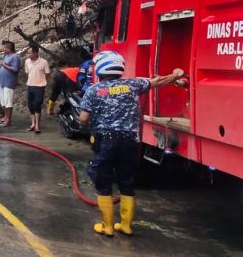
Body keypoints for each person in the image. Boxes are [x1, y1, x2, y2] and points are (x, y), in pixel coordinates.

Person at [79, 51, 184, 236]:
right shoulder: (133, 84)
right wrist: (176, 75)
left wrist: (86, 124)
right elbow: (157, 81)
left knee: (103, 180)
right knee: (126, 180)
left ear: (101, 68)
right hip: (130, 141)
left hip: (105, 141)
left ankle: (107, 226)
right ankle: (126, 225)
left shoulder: (94, 90)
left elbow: (83, 118)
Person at [48, 46, 94, 114]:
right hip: (67, 76)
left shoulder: (84, 65)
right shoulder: (88, 64)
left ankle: (50, 109)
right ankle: (66, 111)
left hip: (61, 74)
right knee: (70, 95)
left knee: (56, 91)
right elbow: (82, 80)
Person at [24, 43, 50, 133]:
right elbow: (28, 72)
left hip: (40, 86)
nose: (28, 55)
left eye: (29, 53)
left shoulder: (44, 62)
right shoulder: (27, 61)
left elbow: (47, 74)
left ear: (35, 53)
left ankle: (37, 125)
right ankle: (33, 123)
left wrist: (43, 82)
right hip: (30, 85)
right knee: (30, 105)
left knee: (37, 105)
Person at [0, 40, 21, 127]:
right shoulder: (5, 56)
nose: (3, 49)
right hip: (2, 82)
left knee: (8, 102)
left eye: (5, 47)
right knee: (4, 102)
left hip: (9, 82)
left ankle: (8, 120)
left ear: (9, 49)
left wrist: (5, 65)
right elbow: (1, 68)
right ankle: (5, 117)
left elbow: (15, 69)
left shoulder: (15, 57)